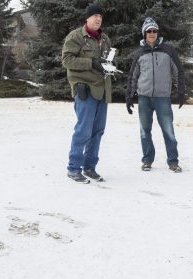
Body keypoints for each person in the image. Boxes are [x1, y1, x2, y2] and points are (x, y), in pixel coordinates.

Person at [126, 17, 185, 173]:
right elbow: (133, 76)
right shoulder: (139, 53)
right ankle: (147, 160)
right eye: (149, 31)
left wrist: (180, 91)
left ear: (157, 33)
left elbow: (178, 71)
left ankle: (173, 162)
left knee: (168, 131)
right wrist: (129, 96)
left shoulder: (168, 50)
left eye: (154, 31)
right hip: (144, 98)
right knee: (145, 131)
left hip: (162, 98)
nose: (152, 33)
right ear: (144, 34)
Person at [62, 4, 112, 183]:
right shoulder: (76, 36)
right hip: (85, 90)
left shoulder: (104, 39)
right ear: (87, 18)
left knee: (97, 131)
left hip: (102, 90)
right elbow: (67, 60)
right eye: (95, 16)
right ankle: (73, 168)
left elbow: (105, 60)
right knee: (83, 130)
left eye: (100, 16)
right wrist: (91, 63)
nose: (98, 19)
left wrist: (109, 65)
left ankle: (90, 167)